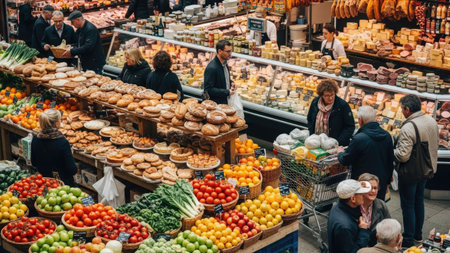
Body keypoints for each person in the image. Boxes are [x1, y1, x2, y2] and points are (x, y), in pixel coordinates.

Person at [394, 94, 439, 247]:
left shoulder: (409, 127)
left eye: (402, 109)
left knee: (408, 205)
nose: (401, 111)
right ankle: (418, 235)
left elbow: (403, 156)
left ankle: (408, 240)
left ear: (407, 109)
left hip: (411, 173)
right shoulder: (431, 121)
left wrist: (391, 151)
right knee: (419, 202)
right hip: (426, 169)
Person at [337, 106, 394, 200]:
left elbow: (345, 160)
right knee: (376, 208)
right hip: (379, 182)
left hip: (363, 183)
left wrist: (340, 153)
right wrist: (387, 181)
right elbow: (390, 161)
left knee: (362, 207)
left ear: (361, 120)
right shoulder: (387, 136)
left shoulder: (359, 139)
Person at [31, 109, 77, 186]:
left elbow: (34, 162)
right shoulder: (62, 143)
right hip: (62, 184)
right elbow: (72, 170)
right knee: (86, 198)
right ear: (57, 123)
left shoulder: (36, 139)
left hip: (43, 182)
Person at [328, 179, 372, 253]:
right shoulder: (345, 227)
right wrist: (363, 231)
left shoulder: (337, 207)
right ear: (353, 198)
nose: (364, 195)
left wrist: (357, 185)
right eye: (361, 194)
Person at [307, 79, 355, 146]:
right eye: (327, 95)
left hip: (335, 144)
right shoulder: (315, 102)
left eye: (332, 94)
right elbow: (310, 118)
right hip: (316, 142)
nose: (330, 98)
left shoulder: (342, 105)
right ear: (321, 95)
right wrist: (311, 134)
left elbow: (350, 127)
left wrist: (338, 142)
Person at [358, 173, 391, 247]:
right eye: (370, 188)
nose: (373, 191)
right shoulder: (354, 206)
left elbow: (390, 226)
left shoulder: (381, 204)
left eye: (375, 188)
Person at [203, 40, 235, 105]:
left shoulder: (224, 63)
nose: (230, 53)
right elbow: (208, 89)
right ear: (220, 51)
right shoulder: (212, 68)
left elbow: (222, 78)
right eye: (228, 51)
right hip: (216, 105)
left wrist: (231, 82)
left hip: (224, 102)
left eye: (231, 51)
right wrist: (227, 92)